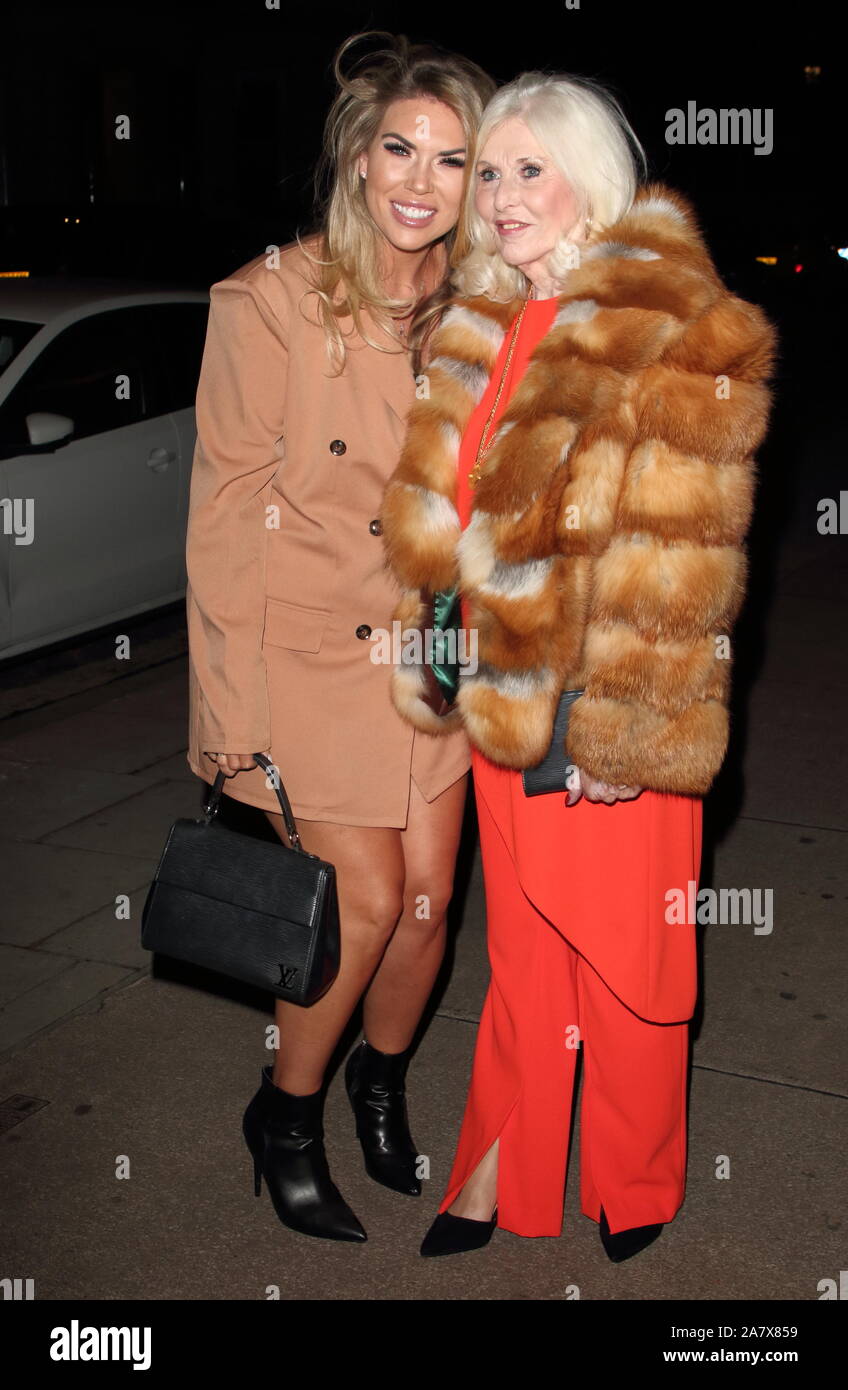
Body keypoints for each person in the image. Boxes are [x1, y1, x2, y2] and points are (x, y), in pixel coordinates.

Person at [379, 71, 777, 1259]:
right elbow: (443, 528)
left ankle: (634, 1177)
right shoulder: (484, 327)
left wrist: (629, 731)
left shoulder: (668, 324)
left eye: (524, 170)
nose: (497, 198)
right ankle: (500, 1168)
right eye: (486, 173)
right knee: (527, 954)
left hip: (608, 715)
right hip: (504, 706)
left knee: (629, 965)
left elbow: (678, 558)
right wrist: (434, 635)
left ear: (591, 177)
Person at [184, 32, 495, 1242]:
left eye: (453, 159)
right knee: (359, 905)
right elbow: (221, 529)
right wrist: (230, 725)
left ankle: (380, 1079)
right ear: (359, 157)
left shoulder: (477, 314)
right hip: (304, 653)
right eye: (398, 148)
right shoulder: (267, 301)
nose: (419, 180)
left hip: (425, 660)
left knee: (428, 910)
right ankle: (287, 1112)